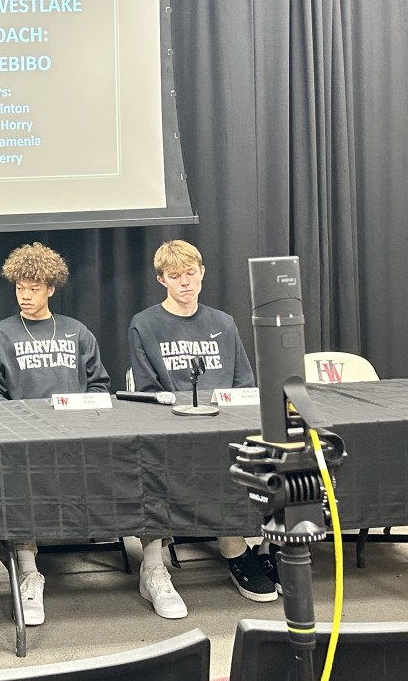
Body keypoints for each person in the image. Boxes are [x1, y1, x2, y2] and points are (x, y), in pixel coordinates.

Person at [128, 240, 277, 619]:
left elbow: (245, 382)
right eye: (175, 276)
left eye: (191, 273)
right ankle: (232, 549)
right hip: (174, 427)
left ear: (202, 273)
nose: (185, 283)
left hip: (225, 423)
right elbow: (147, 391)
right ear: (162, 280)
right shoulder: (144, 324)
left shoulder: (223, 323)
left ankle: (264, 548)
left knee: (272, 447)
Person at [0, 242, 111, 626]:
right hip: (23, 442)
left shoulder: (76, 332)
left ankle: (152, 567)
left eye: (33, 288)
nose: (25, 295)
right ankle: (28, 570)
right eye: (19, 287)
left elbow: (101, 387)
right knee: (18, 485)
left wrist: (81, 419)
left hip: (76, 439)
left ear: (51, 288)